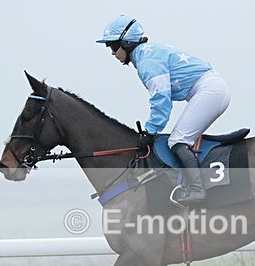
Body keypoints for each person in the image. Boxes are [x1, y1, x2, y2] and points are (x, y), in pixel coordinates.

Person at [96, 15, 231, 205]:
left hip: (210, 91)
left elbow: (161, 99)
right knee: (180, 138)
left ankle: (197, 190)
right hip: (211, 89)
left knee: (178, 140)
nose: (112, 52)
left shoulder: (146, 61)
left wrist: (151, 130)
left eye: (113, 46)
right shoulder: (146, 54)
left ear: (126, 43)